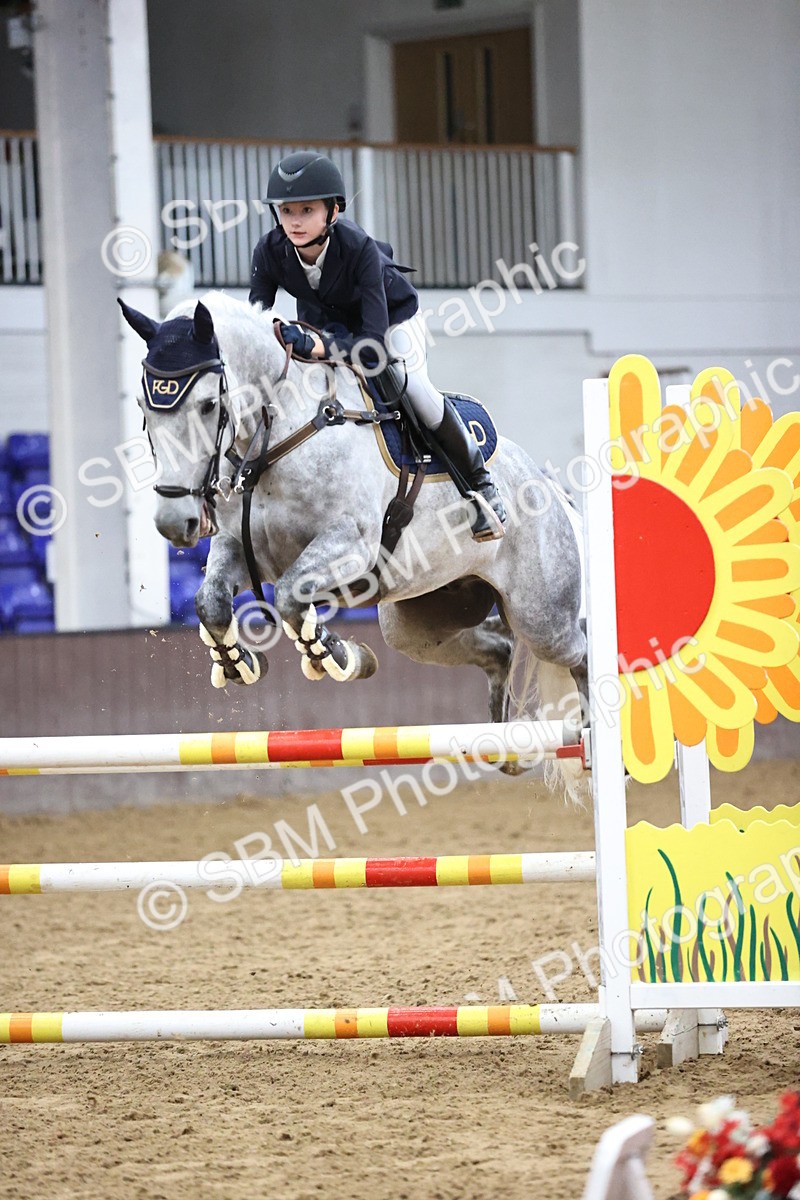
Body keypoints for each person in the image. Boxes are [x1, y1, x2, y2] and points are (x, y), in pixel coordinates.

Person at [248, 151, 506, 542]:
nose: (294, 222)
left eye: (306, 210)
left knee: (410, 385)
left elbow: (372, 348)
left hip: (391, 325)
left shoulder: (359, 249)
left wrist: (317, 346)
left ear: (333, 211)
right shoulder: (270, 252)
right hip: (328, 326)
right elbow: (256, 322)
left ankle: (481, 488)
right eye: (286, 211)